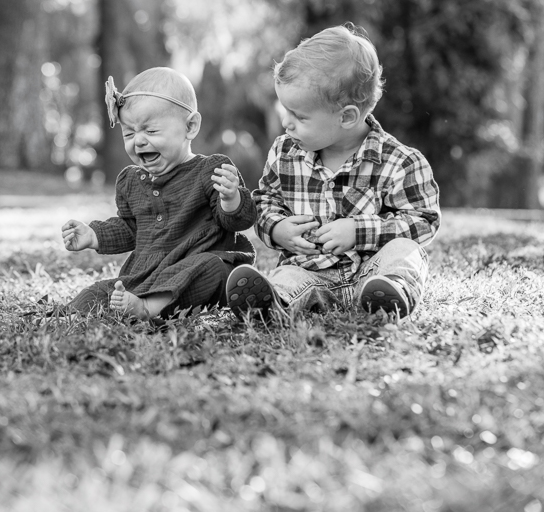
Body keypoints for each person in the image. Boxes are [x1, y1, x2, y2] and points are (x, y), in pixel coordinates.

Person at [225, 23, 440, 320]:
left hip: (372, 270)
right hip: (308, 269)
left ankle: (391, 293)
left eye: (299, 116)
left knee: (404, 252)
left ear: (347, 117)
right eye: (285, 111)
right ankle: (272, 302)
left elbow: (423, 221)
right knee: (287, 279)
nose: (287, 123)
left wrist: (359, 231)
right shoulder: (285, 152)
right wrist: (276, 228)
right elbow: (265, 202)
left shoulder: (399, 162)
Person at [61, 67, 256, 320]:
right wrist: (93, 235)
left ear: (190, 127)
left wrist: (231, 199)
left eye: (150, 131)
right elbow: (131, 228)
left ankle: (148, 309)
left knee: (211, 268)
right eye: (129, 133)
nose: (138, 141)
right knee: (98, 292)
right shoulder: (131, 181)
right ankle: (69, 316)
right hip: (147, 275)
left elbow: (239, 221)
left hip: (199, 264)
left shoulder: (210, 170)